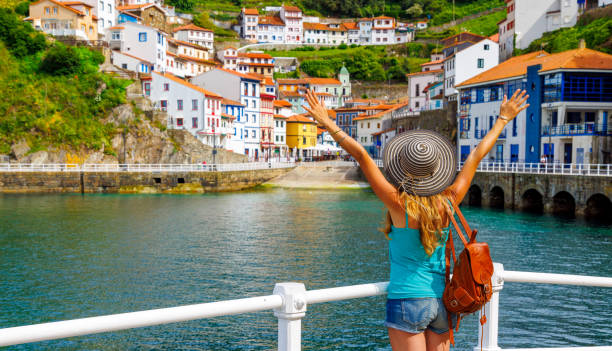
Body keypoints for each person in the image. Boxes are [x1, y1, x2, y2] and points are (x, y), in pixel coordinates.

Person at [303, 89, 529, 351]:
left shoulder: (399, 205)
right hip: (441, 303)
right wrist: (503, 118)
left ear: (403, 169)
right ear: (436, 171)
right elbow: (475, 156)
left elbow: (362, 156)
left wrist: (327, 122)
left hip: (406, 300)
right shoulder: (448, 200)